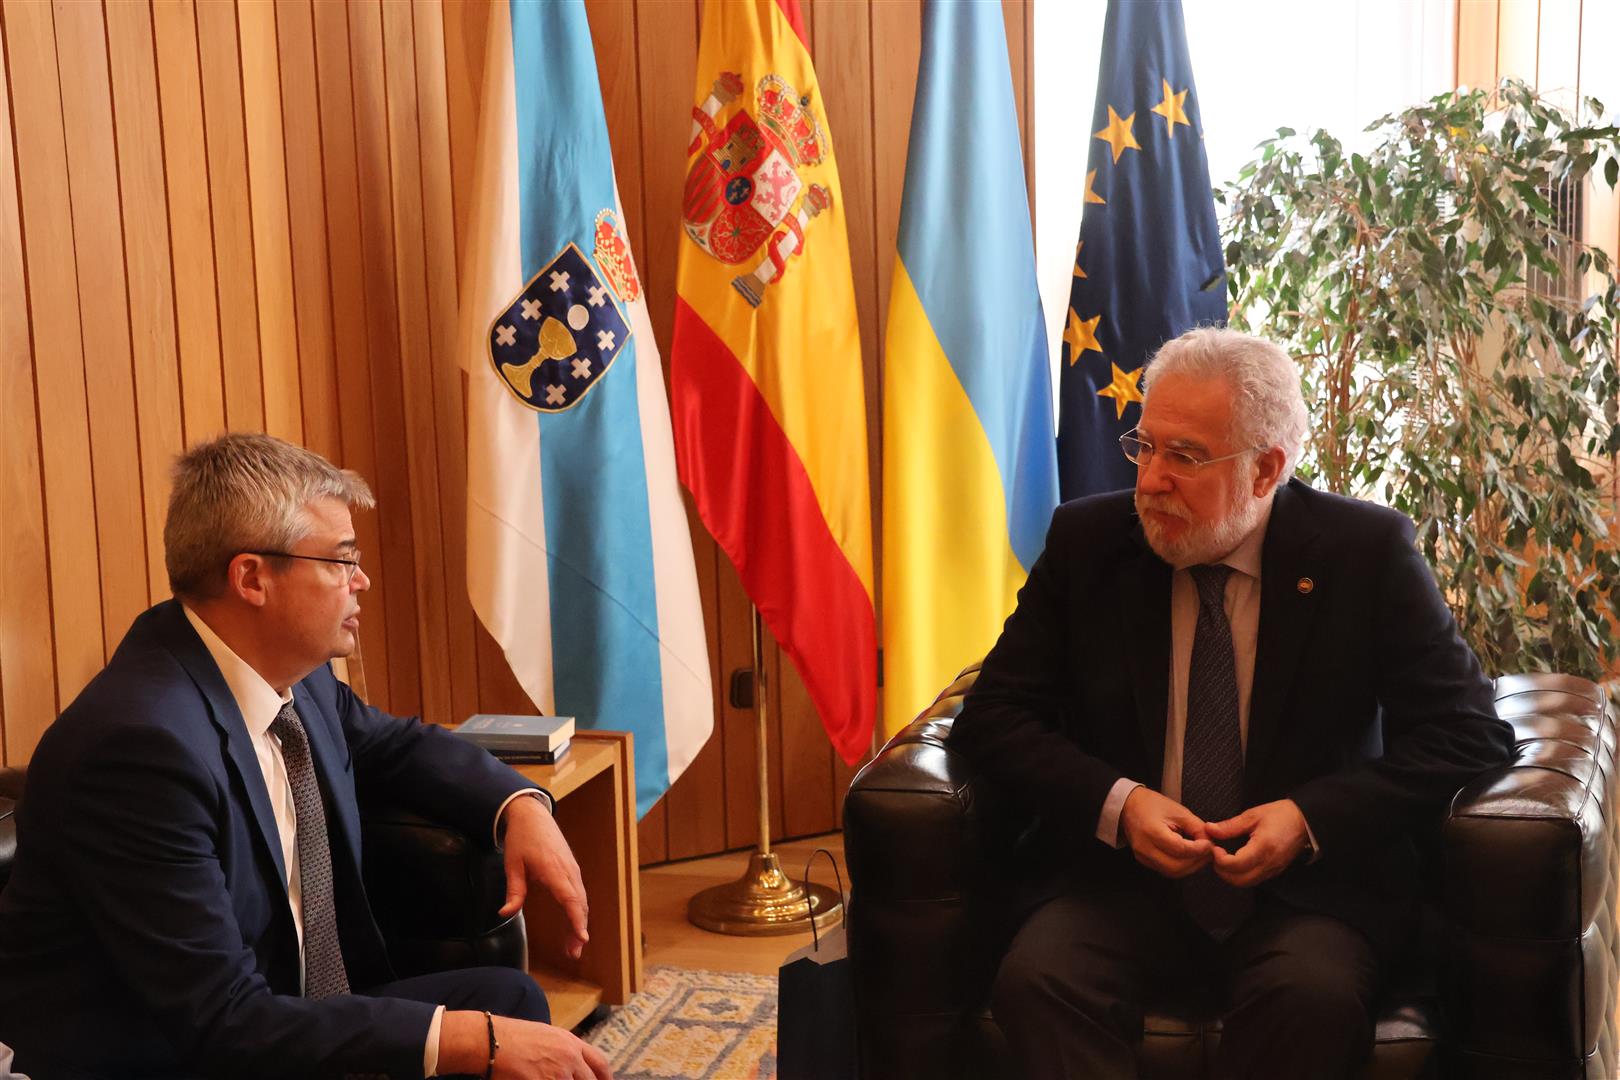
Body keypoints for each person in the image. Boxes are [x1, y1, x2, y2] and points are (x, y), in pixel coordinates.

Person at [949, 328, 1515, 1079]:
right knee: (1041, 981)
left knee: (1310, 996)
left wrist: (1308, 819)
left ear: (1266, 470)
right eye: (1144, 447)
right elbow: (993, 716)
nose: (1150, 480)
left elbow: (1470, 735)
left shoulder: (1364, 554)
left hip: (1308, 896)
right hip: (1121, 882)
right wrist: (1118, 805)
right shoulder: (1090, 543)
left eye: (1183, 457)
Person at [0, 434, 613, 1080]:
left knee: (509, 1001)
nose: (361, 580)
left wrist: (518, 805)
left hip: (284, 1014)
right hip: (177, 1052)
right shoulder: (137, 750)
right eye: (341, 561)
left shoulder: (292, 675)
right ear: (252, 578)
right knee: (485, 1038)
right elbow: (223, 1021)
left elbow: (392, 742)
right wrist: (468, 1043)